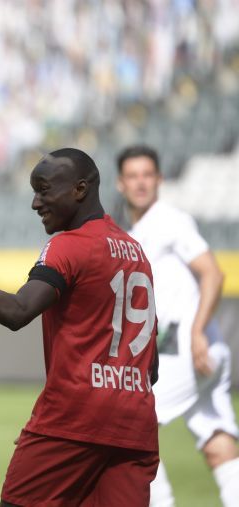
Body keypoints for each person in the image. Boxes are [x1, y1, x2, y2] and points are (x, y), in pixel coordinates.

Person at [0, 148, 160, 506]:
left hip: (75, 419)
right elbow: (150, 366)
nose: (35, 203)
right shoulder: (136, 252)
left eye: (44, 190)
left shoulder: (68, 246)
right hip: (135, 426)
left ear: (79, 189)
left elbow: (17, 311)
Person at [116, 145, 239, 507]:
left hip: (188, 349)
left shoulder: (170, 220)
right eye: (133, 176)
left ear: (160, 180)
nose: (141, 183)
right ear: (122, 183)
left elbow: (213, 274)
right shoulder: (132, 231)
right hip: (199, 352)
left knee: (131, 428)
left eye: (147, 175)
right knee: (218, 443)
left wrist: (197, 331)